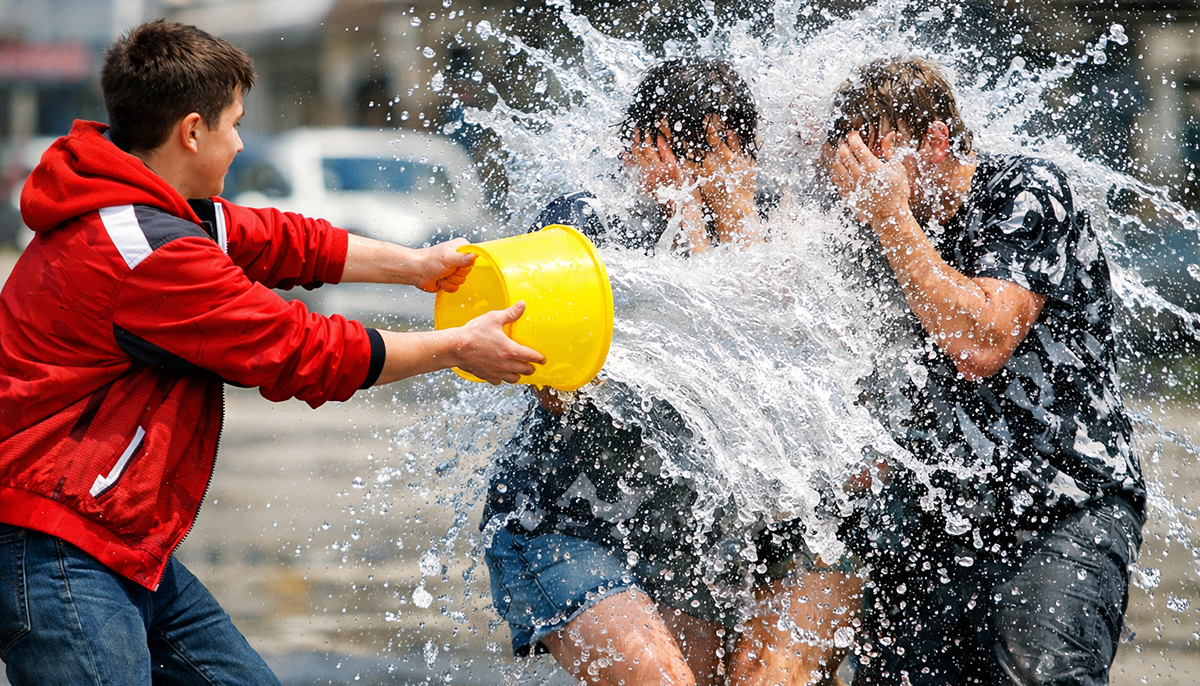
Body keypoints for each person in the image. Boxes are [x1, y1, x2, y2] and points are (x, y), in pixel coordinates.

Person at [0, 20, 544, 685]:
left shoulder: (153, 209)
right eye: (234, 124)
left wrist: (419, 267)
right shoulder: (147, 253)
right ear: (192, 131)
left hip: (114, 540)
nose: (238, 142)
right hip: (57, 545)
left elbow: (281, 239)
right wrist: (458, 346)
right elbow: (300, 348)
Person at [481, 58, 860, 686]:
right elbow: (557, 389)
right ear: (638, 149)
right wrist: (683, 232)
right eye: (683, 153)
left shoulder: (777, 219)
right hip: (564, 520)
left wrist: (730, 218)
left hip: (687, 531)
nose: (698, 175)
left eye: (725, 154)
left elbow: (785, 364)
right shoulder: (586, 221)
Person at [824, 56, 1144, 685]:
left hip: (1062, 506)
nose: (861, 188)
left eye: (874, 161)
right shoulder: (876, 227)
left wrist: (893, 220)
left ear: (937, 140)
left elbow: (982, 342)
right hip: (939, 516)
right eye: (850, 166)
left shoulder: (1026, 192)